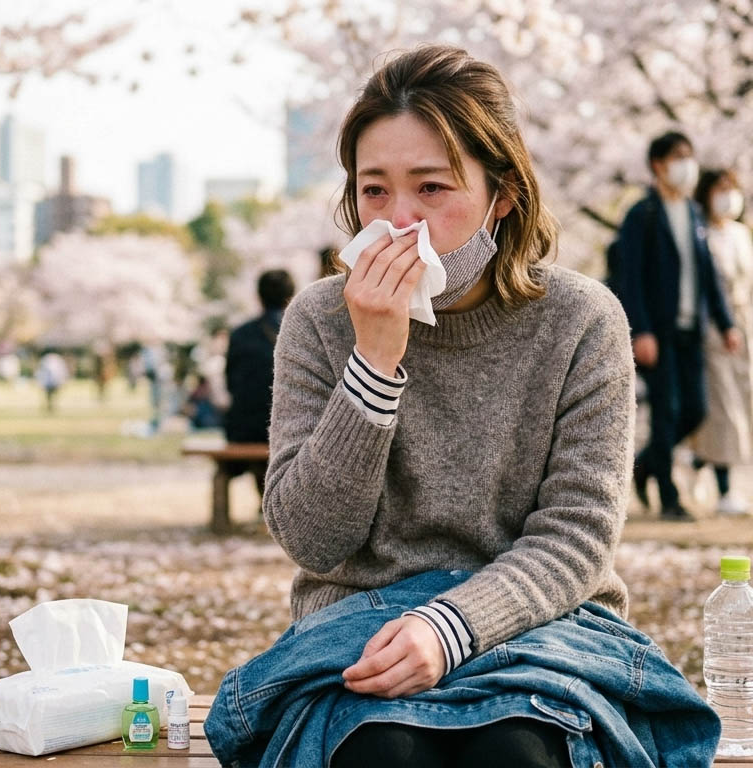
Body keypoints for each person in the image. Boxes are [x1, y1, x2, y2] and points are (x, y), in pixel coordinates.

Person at [211, 46, 720, 766]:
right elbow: (312, 540)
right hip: (360, 629)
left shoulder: (580, 321)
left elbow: (576, 537)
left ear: (502, 194)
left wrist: (450, 627)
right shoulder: (320, 320)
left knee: (519, 748)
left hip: (541, 624)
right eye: (375, 191)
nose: (397, 221)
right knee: (381, 749)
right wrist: (375, 362)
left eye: (432, 189)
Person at [618, 131, 740, 521]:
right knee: (667, 412)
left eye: (690, 156)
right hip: (660, 331)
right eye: (678, 157)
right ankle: (669, 497)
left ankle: (645, 463)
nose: (687, 164)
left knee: (696, 409)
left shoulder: (692, 213)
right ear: (658, 164)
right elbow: (629, 277)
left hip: (694, 330)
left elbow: (709, 276)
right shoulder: (643, 215)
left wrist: (725, 323)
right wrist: (641, 330)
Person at [691, 169, 753, 515]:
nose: (728, 196)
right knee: (723, 407)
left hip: (744, 326)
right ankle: (725, 488)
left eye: (733, 188)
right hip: (715, 330)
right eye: (721, 189)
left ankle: (697, 462)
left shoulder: (742, 235)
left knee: (742, 403)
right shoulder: (701, 234)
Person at [224, 269, 295, 497]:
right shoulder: (302, 331)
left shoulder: (239, 334)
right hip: (291, 426)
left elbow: (231, 384)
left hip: (244, 428)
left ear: (259, 296)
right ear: (292, 294)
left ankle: (264, 495)